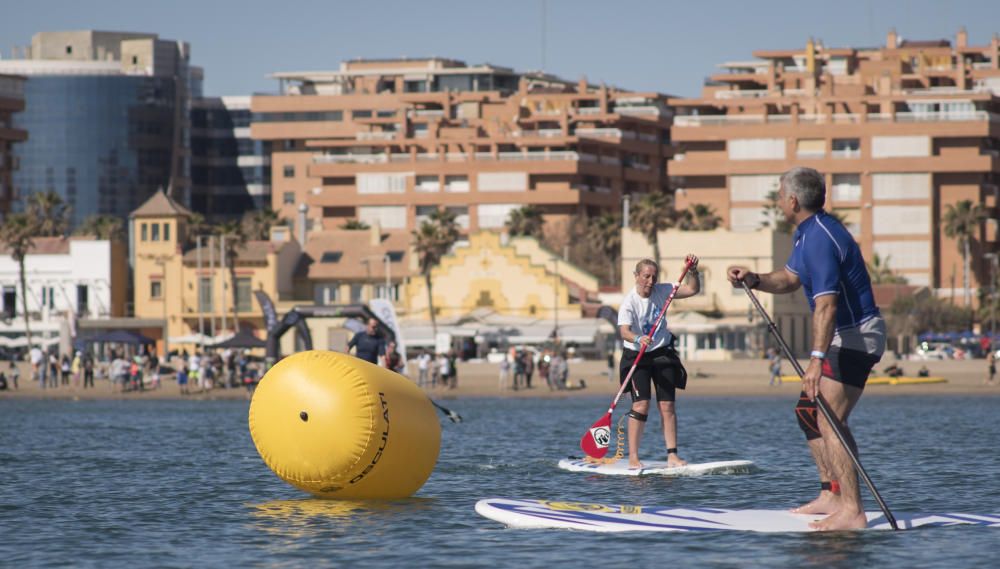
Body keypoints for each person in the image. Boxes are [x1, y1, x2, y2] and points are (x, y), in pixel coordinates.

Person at [727, 166, 886, 531]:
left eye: (781, 195)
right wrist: (754, 279)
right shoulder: (806, 235)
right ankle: (831, 493)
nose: (780, 200)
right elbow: (789, 279)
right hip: (843, 335)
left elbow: (827, 305)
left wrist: (814, 360)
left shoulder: (821, 238)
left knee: (830, 418)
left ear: (793, 200)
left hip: (856, 335)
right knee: (807, 413)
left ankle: (853, 511)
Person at [618, 254, 701, 470]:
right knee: (641, 404)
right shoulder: (629, 303)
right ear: (636, 276)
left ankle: (672, 456)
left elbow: (692, 289)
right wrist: (638, 337)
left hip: (661, 352)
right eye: (646, 276)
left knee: (667, 405)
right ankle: (634, 457)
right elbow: (624, 331)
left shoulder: (664, 291)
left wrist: (692, 272)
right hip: (636, 356)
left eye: (653, 277)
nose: (650, 281)